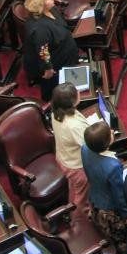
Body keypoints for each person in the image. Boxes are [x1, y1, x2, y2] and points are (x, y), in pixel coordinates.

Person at [22, 0, 80, 102]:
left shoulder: (52, 9)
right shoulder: (39, 28)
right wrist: (48, 69)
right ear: (40, 4)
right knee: (53, 90)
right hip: (55, 63)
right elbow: (43, 51)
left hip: (63, 52)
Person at [81, 121, 127, 254]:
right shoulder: (113, 166)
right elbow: (119, 196)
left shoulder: (84, 148)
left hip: (94, 198)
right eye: (110, 132)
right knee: (121, 239)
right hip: (110, 212)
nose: (112, 131)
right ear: (107, 142)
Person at [50, 83, 90, 213]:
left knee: (74, 188)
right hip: (77, 167)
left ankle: (71, 206)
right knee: (81, 198)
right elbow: (89, 145)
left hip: (64, 158)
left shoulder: (55, 112)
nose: (78, 92)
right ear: (71, 102)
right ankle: (78, 221)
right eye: (76, 92)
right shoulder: (74, 126)